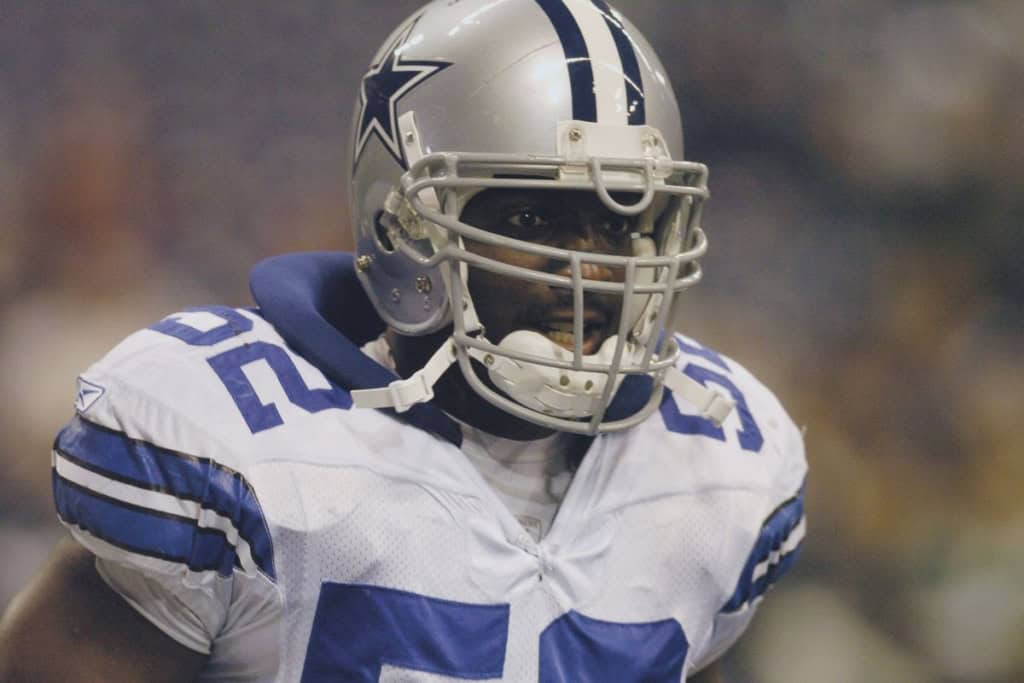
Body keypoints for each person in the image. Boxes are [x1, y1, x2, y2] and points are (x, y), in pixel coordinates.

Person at [0, 1, 807, 681]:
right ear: (406, 229)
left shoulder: (712, 464)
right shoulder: (243, 447)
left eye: (623, 223)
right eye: (535, 219)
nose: (591, 270)